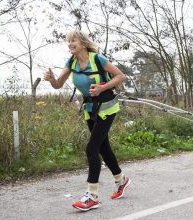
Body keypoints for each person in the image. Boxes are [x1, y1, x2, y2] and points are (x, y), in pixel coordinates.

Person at [44, 30, 130, 211]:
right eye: (68, 41)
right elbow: (59, 84)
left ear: (82, 43)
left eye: (73, 40)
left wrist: (102, 87)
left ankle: (92, 196)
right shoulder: (72, 62)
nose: (69, 44)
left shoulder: (98, 59)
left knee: (92, 148)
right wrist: (52, 80)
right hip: (90, 109)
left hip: (107, 106)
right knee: (103, 147)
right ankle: (121, 180)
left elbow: (121, 76)